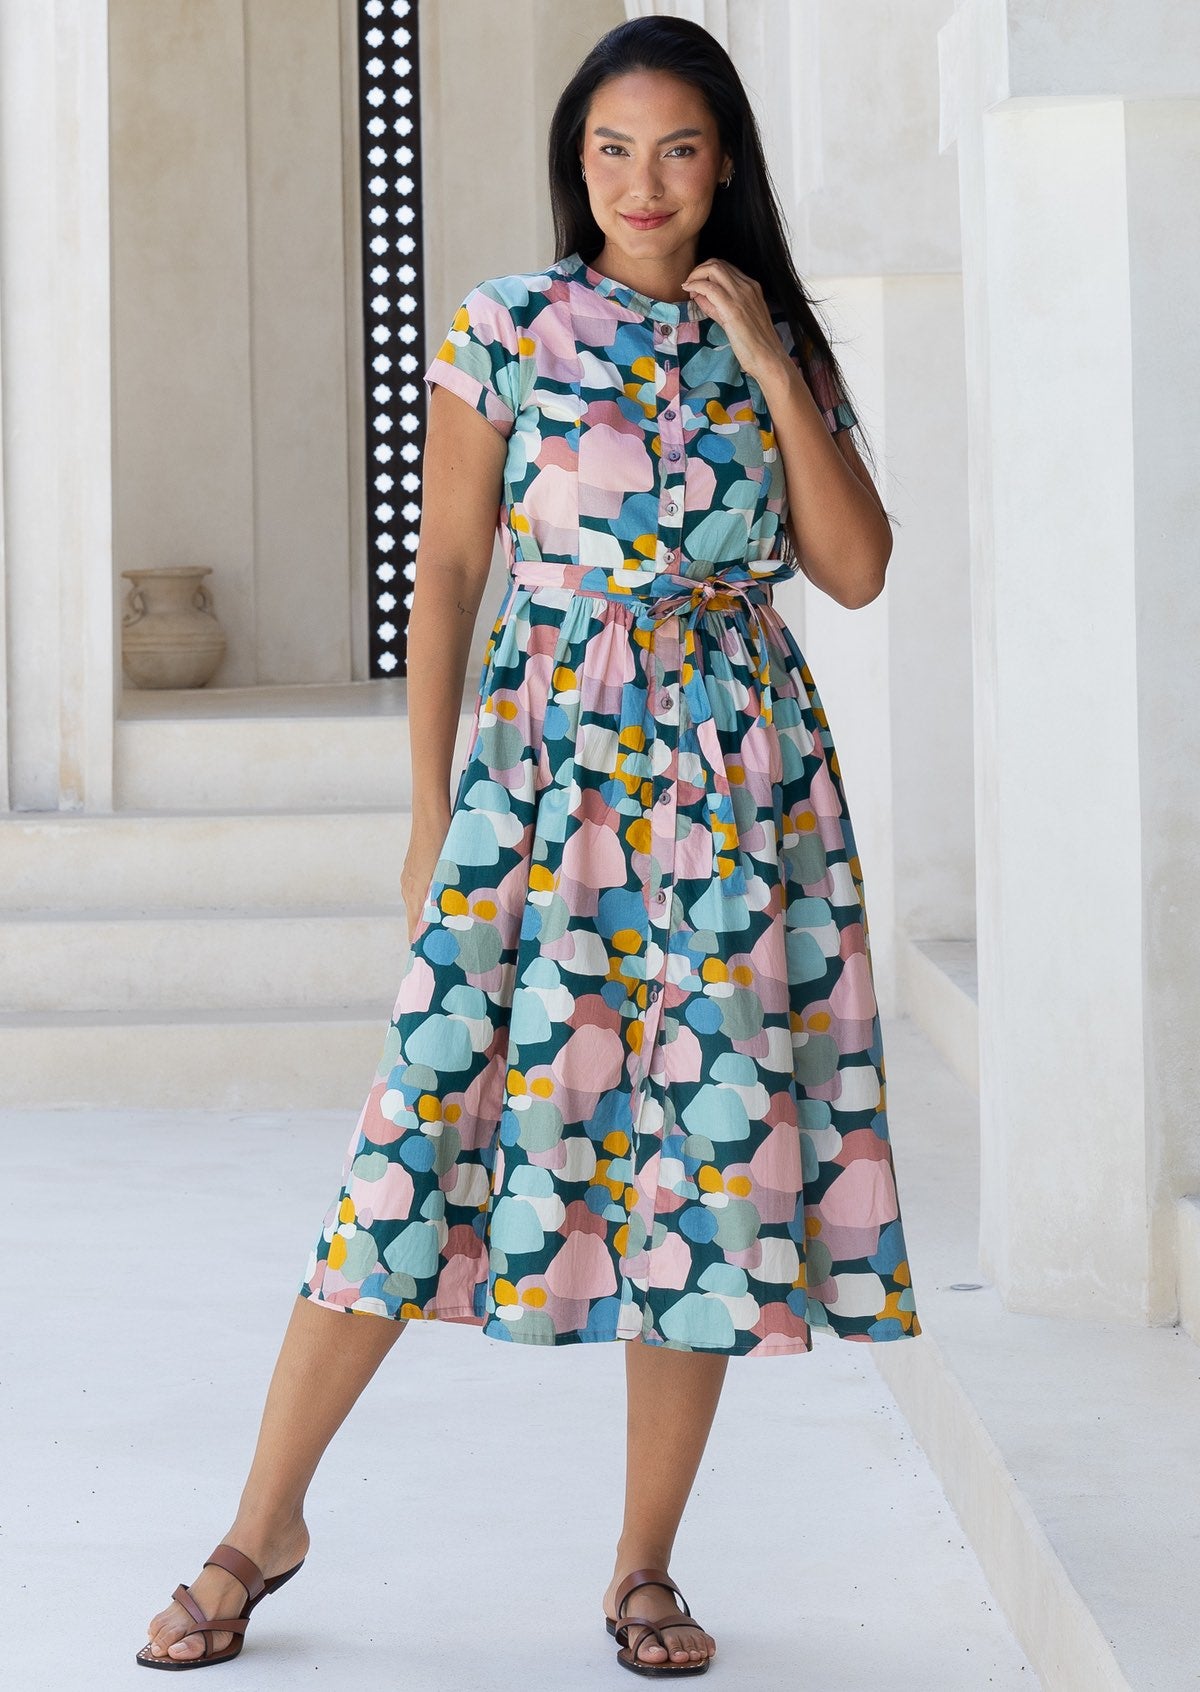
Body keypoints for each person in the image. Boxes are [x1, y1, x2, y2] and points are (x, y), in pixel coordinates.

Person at [137, 14, 923, 1679]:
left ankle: (643, 1568)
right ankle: (255, 1527)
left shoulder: (776, 336)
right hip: (541, 777)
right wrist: (429, 806)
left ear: (728, 166)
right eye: (613, 152)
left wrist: (775, 368)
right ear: (578, 166)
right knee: (414, 1134)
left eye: (681, 150)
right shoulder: (511, 325)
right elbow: (448, 572)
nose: (645, 184)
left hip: (734, 797)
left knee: (702, 1169)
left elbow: (852, 569)